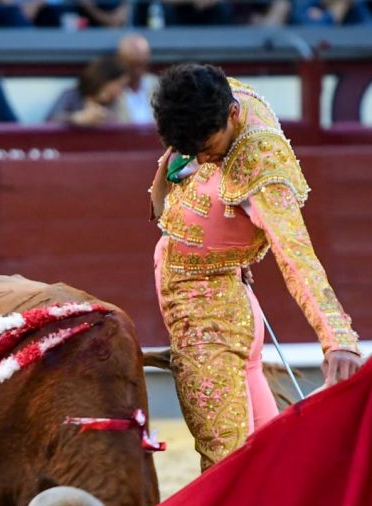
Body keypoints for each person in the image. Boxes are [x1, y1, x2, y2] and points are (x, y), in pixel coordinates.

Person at [148, 63, 361, 471]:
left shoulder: (262, 168)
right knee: (267, 456)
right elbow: (184, 164)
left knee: (226, 466)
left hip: (206, 315)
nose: (203, 157)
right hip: (228, 303)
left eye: (208, 146)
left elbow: (296, 255)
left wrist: (337, 338)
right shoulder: (213, 102)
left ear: (231, 114)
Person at [45, 54, 128, 126]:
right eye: (120, 85)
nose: (122, 90)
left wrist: (107, 119)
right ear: (105, 82)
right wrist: (76, 118)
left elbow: (127, 128)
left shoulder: (117, 102)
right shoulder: (71, 96)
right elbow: (50, 122)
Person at [115, 33, 156, 125]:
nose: (137, 71)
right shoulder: (110, 89)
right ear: (121, 61)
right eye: (132, 65)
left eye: (141, 64)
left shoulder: (161, 87)